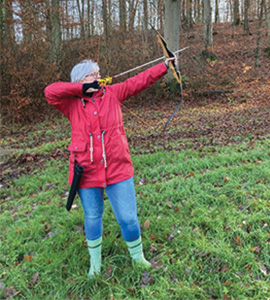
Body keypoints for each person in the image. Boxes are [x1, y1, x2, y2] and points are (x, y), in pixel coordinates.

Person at [44, 55, 176, 277]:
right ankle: (95, 265)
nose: (98, 77)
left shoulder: (113, 93)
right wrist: (80, 88)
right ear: (80, 81)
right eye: (92, 75)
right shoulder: (72, 103)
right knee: (93, 217)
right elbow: (50, 91)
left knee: (128, 218)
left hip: (117, 167)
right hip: (86, 171)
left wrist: (164, 66)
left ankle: (138, 258)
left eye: (98, 73)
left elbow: (139, 80)